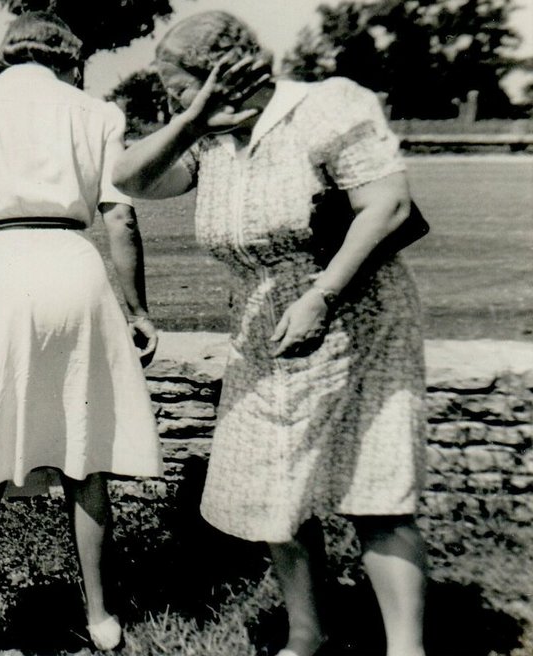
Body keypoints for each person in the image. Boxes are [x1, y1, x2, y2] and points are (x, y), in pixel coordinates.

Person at [113, 11, 428, 656]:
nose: (175, 101)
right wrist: (191, 120)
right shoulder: (210, 139)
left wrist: (321, 295)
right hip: (264, 330)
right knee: (273, 486)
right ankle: (307, 632)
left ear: (225, 73)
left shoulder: (328, 105)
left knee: (376, 487)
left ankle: (406, 647)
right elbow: (130, 180)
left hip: (355, 316)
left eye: (179, 88)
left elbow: (388, 204)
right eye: (176, 94)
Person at [0, 12, 162, 654]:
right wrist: (138, 312)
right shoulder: (97, 113)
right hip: (73, 267)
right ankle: (104, 620)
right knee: (84, 449)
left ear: (6, 55)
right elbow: (121, 220)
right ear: (67, 58)